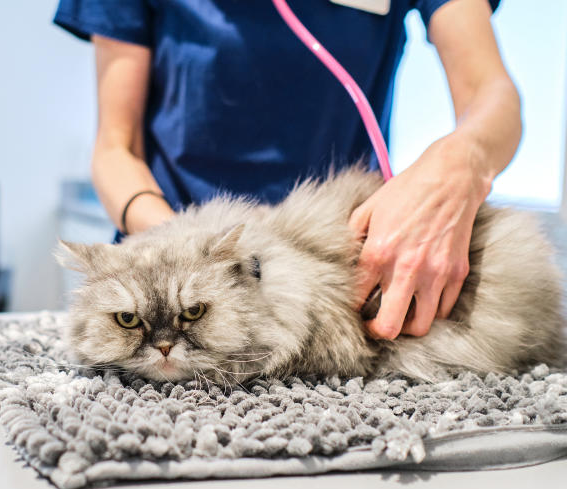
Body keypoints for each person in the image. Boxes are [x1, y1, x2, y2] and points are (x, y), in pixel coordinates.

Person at [52, 0, 520, 341]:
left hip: (342, 276)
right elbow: (115, 148)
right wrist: (183, 251)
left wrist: (460, 162)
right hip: (177, 274)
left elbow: (493, 98)